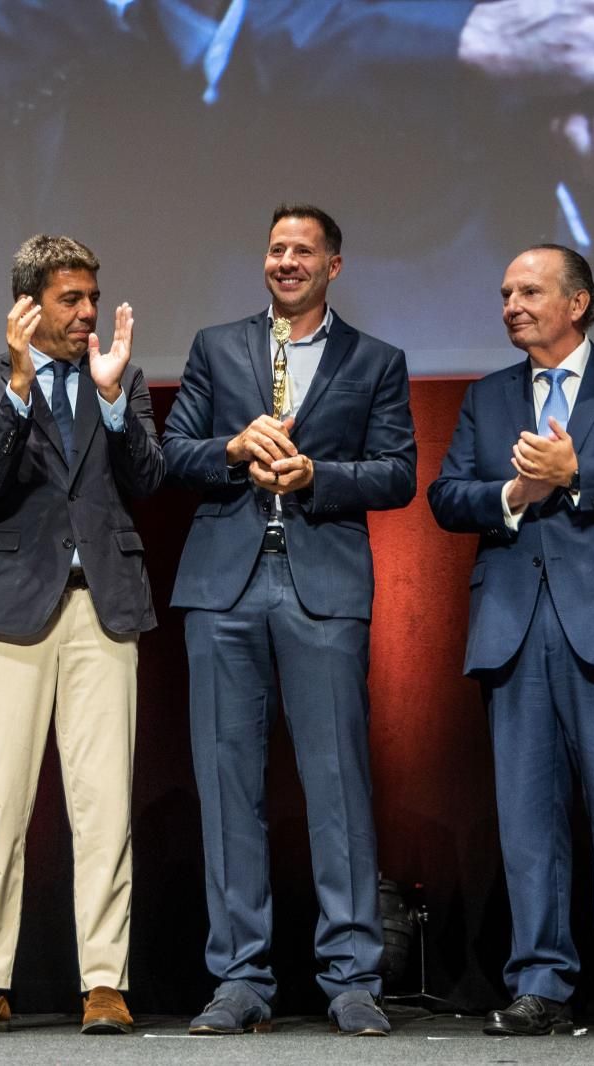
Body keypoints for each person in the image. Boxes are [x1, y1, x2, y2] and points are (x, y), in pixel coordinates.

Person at [427, 245, 594, 1038]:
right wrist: (515, 492)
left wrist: (579, 472)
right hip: (516, 623)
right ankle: (540, 980)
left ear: (576, 303)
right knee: (526, 818)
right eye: (506, 291)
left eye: (529, 291)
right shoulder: (487, 396)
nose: (511, 303)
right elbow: (447, 496)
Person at [162, 203, 416, 1037]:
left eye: (303, 250)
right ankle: (240, 977)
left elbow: (397, 474)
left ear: (334, 266)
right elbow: (170, 455)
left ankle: (351, 977)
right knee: (228, 784)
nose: (286, 261)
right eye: (275, 248)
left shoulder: (376, 360)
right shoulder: (216, 346)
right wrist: (234, 450)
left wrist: (318, 476)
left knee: (337, 781)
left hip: (322, 587)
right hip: (224, 585)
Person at [0, 234, 163, 1036]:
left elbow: (149, 479)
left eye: (93, 298)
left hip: (102, 605)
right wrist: (21, 389)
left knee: (103, 803)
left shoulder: (122, 378)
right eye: (71, 300)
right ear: (29, 307)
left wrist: (109, 402)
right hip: (8, 608)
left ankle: (105, 979)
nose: (88, 313)